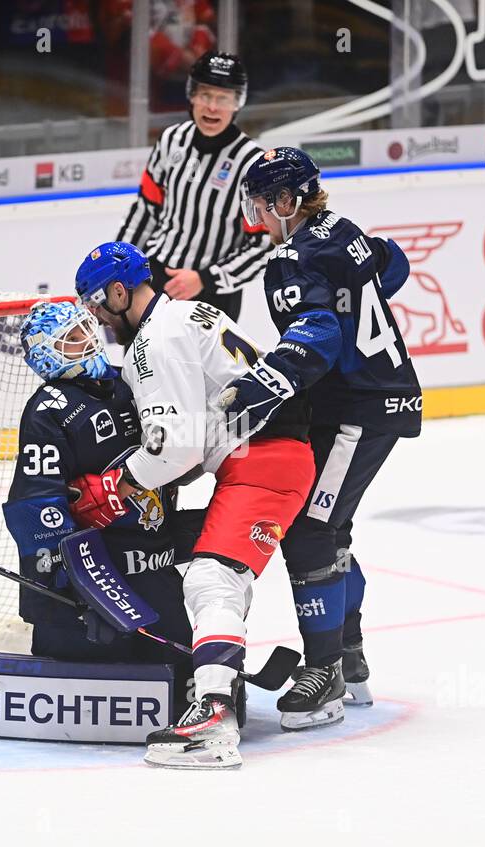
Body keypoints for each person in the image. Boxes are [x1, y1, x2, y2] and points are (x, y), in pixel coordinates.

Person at [70, 240, 315, 769]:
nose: (95, 318)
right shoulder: (190, 313)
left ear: (119, 291)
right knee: (220, 575)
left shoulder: (153, 343)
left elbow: (174, 448)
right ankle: (219, 684)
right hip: (268, 456)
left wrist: (116, 483)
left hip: (264, 461)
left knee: (212, 579)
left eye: (95, 303)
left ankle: (214, 717)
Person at [219, 146, 421, 731]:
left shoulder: (290, 256)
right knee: (328, 530)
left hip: (358, 405)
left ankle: (326, 670)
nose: (255, 214)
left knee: (308, 530)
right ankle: (348, 657)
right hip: (375, 395)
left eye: (261, 203)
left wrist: (267, 380)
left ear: (286, 201)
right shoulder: (342, 230)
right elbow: (394, 265)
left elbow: (319, 329)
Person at [2, 301, 195, 712]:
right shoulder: (48, 410)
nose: (88, 340)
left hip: (151, 570)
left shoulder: (129, 381)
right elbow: (38, 506)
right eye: (71, 339)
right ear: (44, 353)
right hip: (94, 581)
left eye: (86, 330)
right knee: (80, 695)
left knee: (179, 687)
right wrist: (74, 588)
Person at [116, 51, 270, 321]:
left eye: (223, 98)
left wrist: (206, 280)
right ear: (192, 96)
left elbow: (262, 244)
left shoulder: (252, 164)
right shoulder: (172, 140)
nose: (212, 107)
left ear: (238, 103)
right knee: (144, 362)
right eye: (205, 95)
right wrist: (118, 263)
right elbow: (146, 210)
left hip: (214, 296)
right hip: (155, 280)